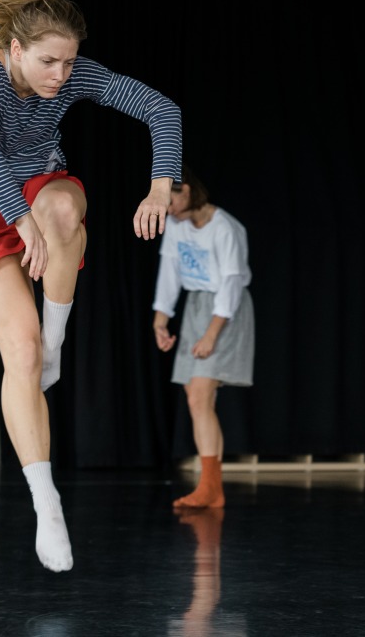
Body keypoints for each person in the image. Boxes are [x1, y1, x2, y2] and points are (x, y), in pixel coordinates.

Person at [0, 0, 182, 572]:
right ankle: (46, 501)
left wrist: (161, 184)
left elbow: (162, 109)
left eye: (69, 63)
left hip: (42, 189)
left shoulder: (73, 74)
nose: (61, 76)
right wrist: (16, 218)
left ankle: (57, 340)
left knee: (62, 214)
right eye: (48, 63)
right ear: (14, 49)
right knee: (21, 353)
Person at [152, 164, 254, 509]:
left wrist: (211, 334)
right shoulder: (177, 227)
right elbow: (169, 271)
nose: (166, 208)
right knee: (196, 400)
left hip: (224, 312)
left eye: (170, 199)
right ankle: (211, 487)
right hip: (195, 305)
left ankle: (211, 487)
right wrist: (161, 319)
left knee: (199, 396)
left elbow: (230, 285)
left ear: (189, 191)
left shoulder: (225, 228)